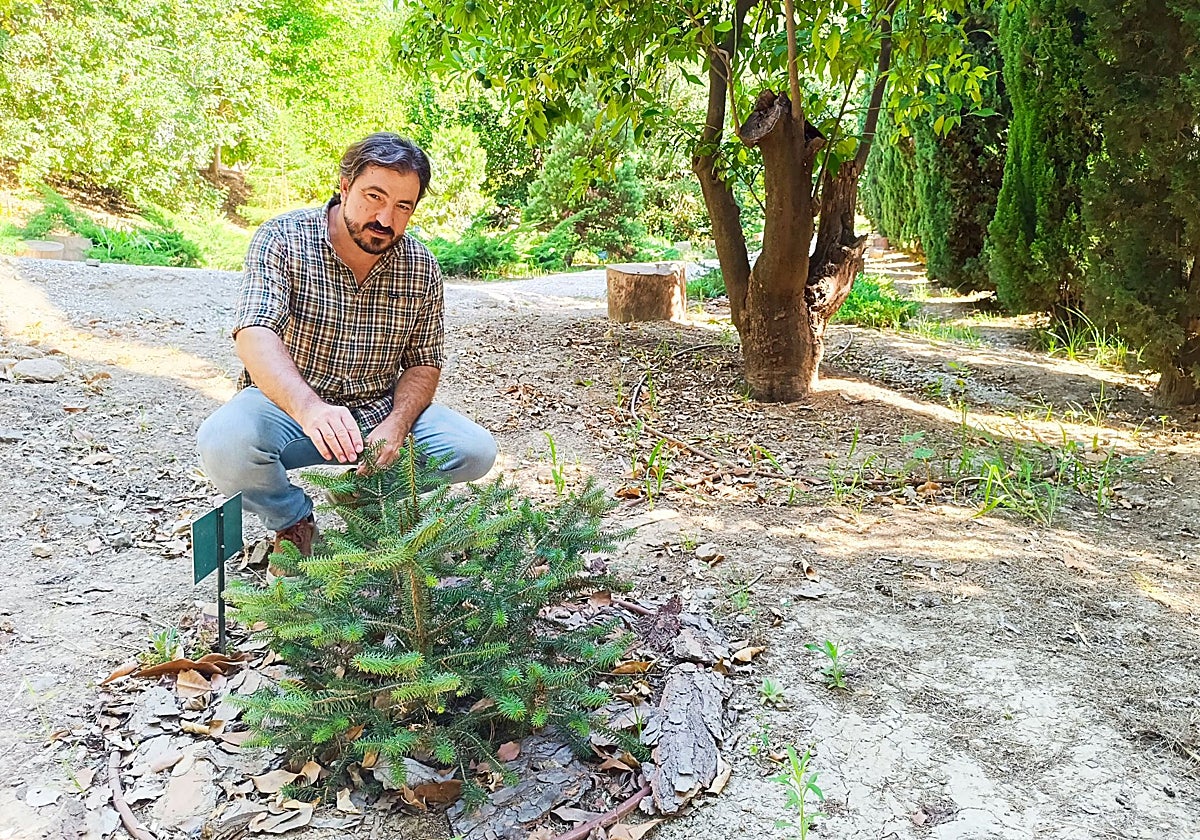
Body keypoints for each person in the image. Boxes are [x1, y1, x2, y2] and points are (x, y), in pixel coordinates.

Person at [197, 133, 497, 556]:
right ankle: (293, 524)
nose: (385, 218)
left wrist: (396, 426)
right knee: (223, 441)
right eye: (374, 196)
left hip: (377, 412)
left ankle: (363, 498)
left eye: (403, 206)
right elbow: (254, 333)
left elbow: (424, 362)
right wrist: (309, 408)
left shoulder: (421, 265)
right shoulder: (283, 239)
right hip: (290, 408)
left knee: (474, 450)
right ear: (344, 186)